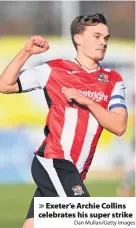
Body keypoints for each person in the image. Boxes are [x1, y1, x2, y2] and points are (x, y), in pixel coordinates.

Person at [0, 13, 128, 228]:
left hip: (76, 170)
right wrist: (26, 53)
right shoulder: (54, 69)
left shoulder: (113, 80)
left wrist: (86, 100)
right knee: (90, 220)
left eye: (105, 38)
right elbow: (5, 85)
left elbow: (118, 126)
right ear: (78, 38)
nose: (103, 42)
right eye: (96, 36)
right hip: (54, 161)